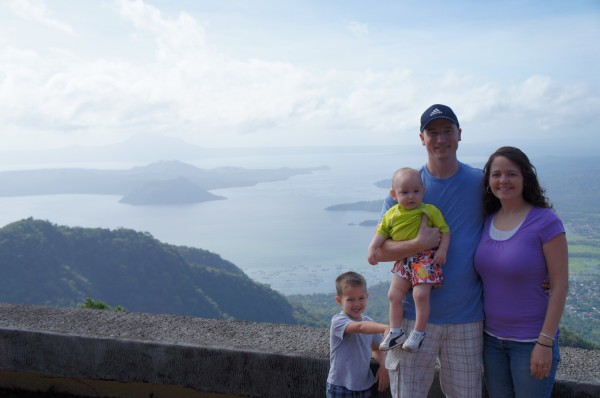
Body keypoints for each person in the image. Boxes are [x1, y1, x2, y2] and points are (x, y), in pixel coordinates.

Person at [373, 104, 485, 397]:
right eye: (432, 132)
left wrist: (539, 271)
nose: (440, 139)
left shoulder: (481, 183)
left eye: (447, 130)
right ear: (421, 138)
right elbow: (378, 253)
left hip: (467, 318)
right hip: (411, 318)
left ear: (459, 134)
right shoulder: (406, 186)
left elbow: (513, 223)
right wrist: (418, 245)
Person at [474, 146, 568, 398]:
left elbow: (559, 285)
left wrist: (545, 342)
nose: (503, 180)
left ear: (525, 177)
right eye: (496, 174)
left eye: (511, 174)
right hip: (491, 340)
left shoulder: (546, 221)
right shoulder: (487, 219)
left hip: (531, 341)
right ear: (488, 181)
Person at [368, 167, 450, 352]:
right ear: (394, 194)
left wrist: (443, 250)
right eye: (404, 192)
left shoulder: (429, 211)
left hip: (423, 260)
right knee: (393, 295)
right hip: (403, 259)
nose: (411, 196)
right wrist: (372, 248)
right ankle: (396, 332)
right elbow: (381, 232)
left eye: (416, 191)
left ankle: (419, 332)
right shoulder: (391, 214)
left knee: (420, 294)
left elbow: (445, 231)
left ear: (423, 191)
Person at [327, 271, 390, 397]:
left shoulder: (369, 323)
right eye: (350, 299)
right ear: (339, 300)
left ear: (367, 296)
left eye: (361, 298)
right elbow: (360, 327)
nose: (356, 304)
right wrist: (386, 328)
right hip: (339, 386)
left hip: (365, 385)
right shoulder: (338, 321)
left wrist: (384, 366)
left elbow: (376, 347)